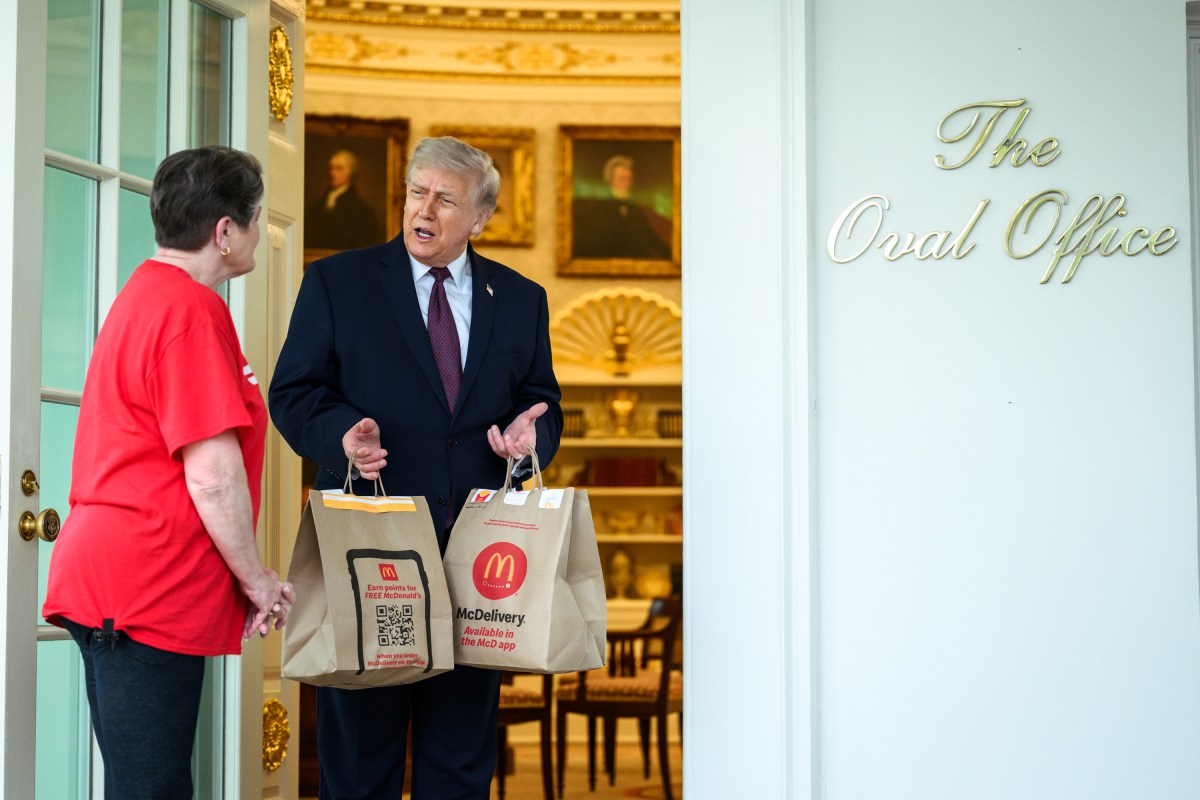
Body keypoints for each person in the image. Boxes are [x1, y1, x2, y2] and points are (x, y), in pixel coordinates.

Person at [269, 136, 563, 799]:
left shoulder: (520, 299)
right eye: (415, 191)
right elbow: (293, 393)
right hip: (375, 560)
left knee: (459, 765)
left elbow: (542, 404)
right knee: (360, 765)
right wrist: (341, 433)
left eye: (445, 198)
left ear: (479, 218)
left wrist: (529, 442)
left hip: (477, 565)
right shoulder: (337, 282)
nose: (422, 209)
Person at [41, 146, 295, 799]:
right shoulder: (190, 311)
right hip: (146, 585)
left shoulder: (145, 294)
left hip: (117, 582)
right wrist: (259, 580)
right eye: (255, 218)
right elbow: (212, 473)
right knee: (152, 789)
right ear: (225, 231)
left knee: (142, 783)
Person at [572, 153, 673, 259]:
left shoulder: (636, 211)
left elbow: (652, 239)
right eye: (622, 179)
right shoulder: (596, 213)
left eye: (629, 179)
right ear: (610, 181)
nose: (627, 184)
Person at [305, 149, 385, 250]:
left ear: (351, 173)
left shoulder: (362, 211)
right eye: (331, 168)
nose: (332, 173)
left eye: (339, 168)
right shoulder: (316, 206)